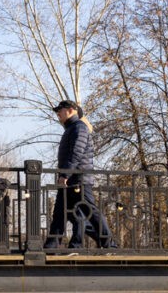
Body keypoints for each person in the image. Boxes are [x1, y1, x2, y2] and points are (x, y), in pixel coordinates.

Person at [45, 99, 115, 249]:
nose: (58, 114)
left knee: (90, 211)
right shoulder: (71, 128)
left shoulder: (79, 128)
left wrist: (65, 175)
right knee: (60, 213)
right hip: (71, 180)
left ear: (70, 110)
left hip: (79, 180)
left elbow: (76, 153)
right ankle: (51, 245)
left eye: (60, 110)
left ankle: (109, 244)